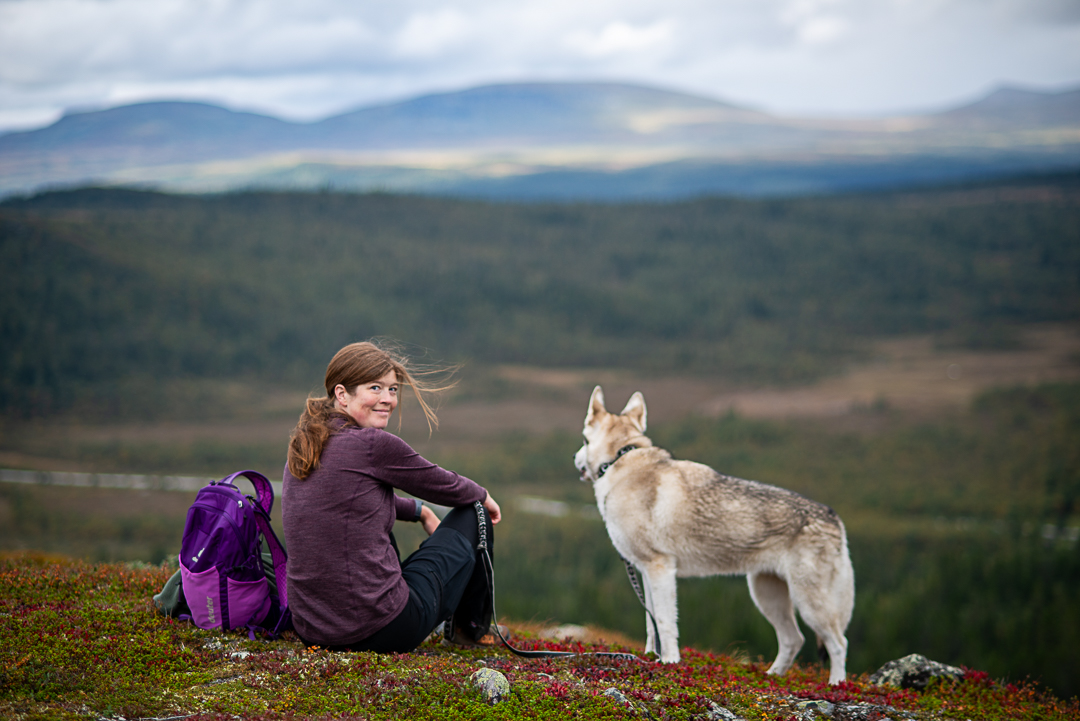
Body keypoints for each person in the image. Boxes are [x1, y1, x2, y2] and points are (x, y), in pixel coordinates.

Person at [282, 341, 501, 652]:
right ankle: (472, 629)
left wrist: (419, 512)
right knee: (472, 512)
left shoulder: (305, 444)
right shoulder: (372, 444)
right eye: (375, 388)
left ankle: (466, 625)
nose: (387, 399)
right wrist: (484, 495)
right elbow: (444, 484)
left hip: (314, 630)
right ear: (342, 394)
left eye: (393, 389)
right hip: (384, 629)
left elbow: (348, 502)